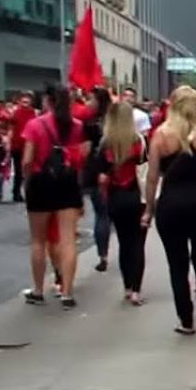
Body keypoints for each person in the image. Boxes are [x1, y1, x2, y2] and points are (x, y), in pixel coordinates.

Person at [142, 86, 196, 335]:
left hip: (172, 205)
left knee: (177, 264)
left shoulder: (160, 135)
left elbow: (151, 177)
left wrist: (149, 209)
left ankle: (186, 319)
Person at [21, 84, 88, 308]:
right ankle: (67, 292)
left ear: (47, 101)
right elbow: (81, 157)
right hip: (68, 183)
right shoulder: (76, 126)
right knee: (67, 239)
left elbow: (27, 160)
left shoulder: (34, 125)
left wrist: (27, 181)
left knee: (38, 240)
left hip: (41, 182)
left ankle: (38, 290)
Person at [96, 101, 148, 305]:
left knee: (124, 242)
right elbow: (146, 172)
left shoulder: (105, 144)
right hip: (137, 195)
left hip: (116, 196)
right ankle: (136, 289)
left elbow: (99, 175)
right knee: (138, 243)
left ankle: (127, 286)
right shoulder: (140, 142)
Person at [81, 88, 114, 272]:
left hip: (95, 169)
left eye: (90, 98)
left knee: (101, 213)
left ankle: (103, 254)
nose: (88, 102)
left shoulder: (90, 123)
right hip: (114, 169)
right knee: (106, 214)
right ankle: (105, 251)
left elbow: (84, 149)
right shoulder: (113, 120)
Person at [8, 91, 37, 203]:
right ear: (19, 101)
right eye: (23, 101)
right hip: (17, 145)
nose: (26, 103)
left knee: (29, 170)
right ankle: (16, 192)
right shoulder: (15, 113)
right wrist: (9, 142)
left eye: (28, 101)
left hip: (29, 145)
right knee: (19, 171)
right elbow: (11, 128)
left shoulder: (33, 113)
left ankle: (28, 192)